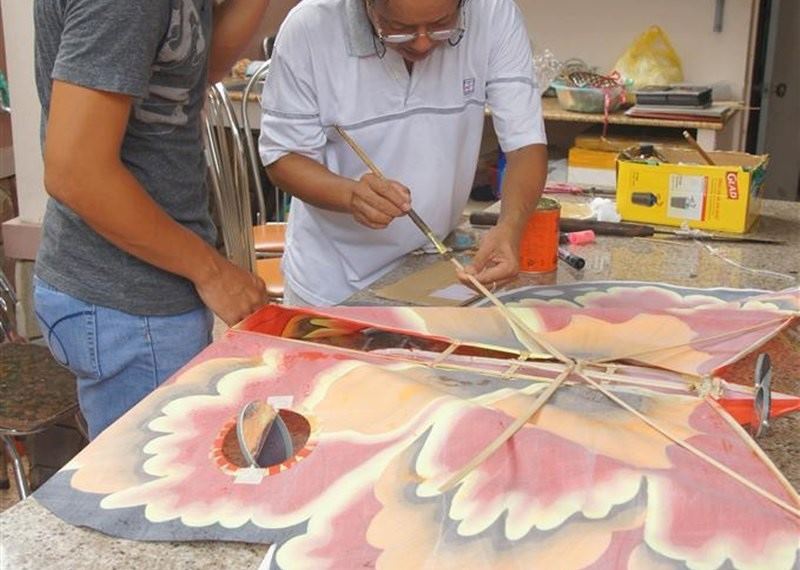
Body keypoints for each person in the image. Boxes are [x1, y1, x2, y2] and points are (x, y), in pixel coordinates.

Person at [33, 0, 271, 439]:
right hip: (130, 298)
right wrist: (212, 271)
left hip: (138, 285)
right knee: (142, 493)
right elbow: (75, 172)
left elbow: (189, 73)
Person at [259, 0, 547, 307]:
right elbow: (284, 157)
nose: (423, 43)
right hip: (336, 284)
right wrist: (350, 195)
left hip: (434, 267)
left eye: (441, 25)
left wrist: (510, 227)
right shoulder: (311, 28)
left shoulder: (492, 13)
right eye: (399, 29)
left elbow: (525, 144)